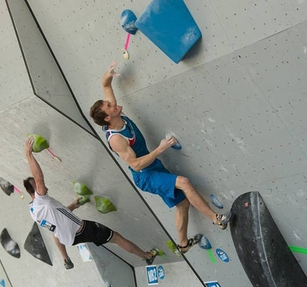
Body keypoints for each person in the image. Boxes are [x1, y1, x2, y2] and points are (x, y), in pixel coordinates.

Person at [89, 61, 232, 254]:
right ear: (107, 118)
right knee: (184, 182)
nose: (112, 104)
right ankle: (217, 220)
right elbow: (137, 165)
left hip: (153, 167)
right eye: (109, 106)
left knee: (182, 204)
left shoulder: (115, 114)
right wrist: (161, 148)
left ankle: (182, 245)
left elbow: (106, 85)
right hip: (145, 175)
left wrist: (108, 73)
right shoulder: (116, 140)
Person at [23, 136, 158, 269]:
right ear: (35, 190)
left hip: (70, 238)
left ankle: (65, 259)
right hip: (84, 231)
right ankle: (147, 256)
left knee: (56, 233)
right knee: (117, 238)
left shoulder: (33, 211)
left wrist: (73, 206)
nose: (43, 186)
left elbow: (57, 219)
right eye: (37, 186)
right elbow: (39, 178)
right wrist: (28, 154)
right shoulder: (41, 200)